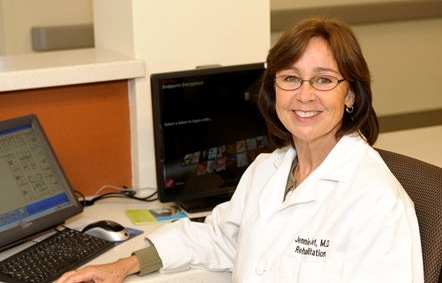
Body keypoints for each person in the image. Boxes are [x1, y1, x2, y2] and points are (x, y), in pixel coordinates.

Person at [57, 16, 424, 282]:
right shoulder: (269, 170)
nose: (305, 95)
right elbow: (219, 237)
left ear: (352, 96)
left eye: (324, 80)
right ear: (273, 90)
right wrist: (124, 265)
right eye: (290, 78)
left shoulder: (378, 204)